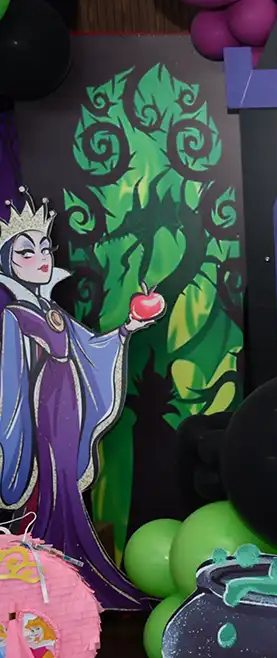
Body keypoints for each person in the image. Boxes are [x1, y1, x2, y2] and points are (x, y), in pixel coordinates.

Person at [0, 187, 155, 611]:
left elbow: (89, 347)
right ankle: (46, 570)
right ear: (8, 262)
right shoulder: (14, 316)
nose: (40, 258)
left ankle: (70, 566)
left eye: (44, 249)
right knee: (48, 481)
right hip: (42, 410)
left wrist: (128, 327)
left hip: (68, 402)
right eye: (26, 252)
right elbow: (10, 381)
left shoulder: (52, 311)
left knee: (65, 481)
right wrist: (13, 435)